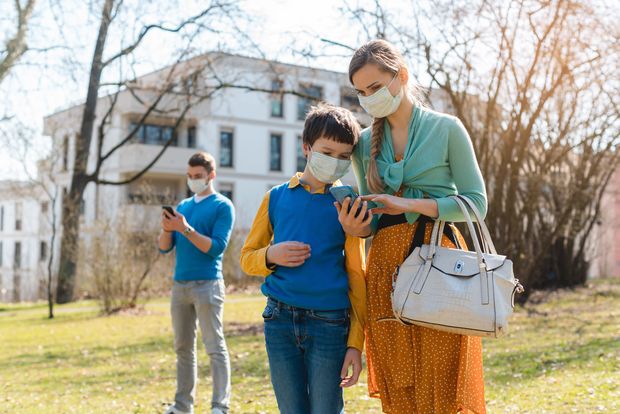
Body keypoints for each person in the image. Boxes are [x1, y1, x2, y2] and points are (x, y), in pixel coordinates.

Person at [336, 39, 488, 414]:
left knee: (443, 383)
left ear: (400, 76)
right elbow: (370, 222)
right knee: (400, 383)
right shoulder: (364, 144)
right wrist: (356, 226)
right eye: (361, 92)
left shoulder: (447, 128)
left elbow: (476, 203)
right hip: (385, 268)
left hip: (440, 262)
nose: (369, 97)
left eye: (375, 87)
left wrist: (408, 203)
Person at [240, 103, 367, 414]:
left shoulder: (347, 203)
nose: (335, 161)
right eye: (327, 151)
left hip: (330, 323)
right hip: (279, 320)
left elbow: (356, 272)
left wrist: (356, 342)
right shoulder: (275, 197)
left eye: (343, 156)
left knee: (326, 409)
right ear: (307, 147)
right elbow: (247, 258)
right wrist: (271, 254)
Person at [159, 152, 235, 414]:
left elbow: (215, 248)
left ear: (211, 175)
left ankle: (219, 406)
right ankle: (182, 406)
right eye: (190, 177)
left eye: (198, 177)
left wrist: (186, 228)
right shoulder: (183, 206)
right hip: (180, 286)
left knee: (214, 347)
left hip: (208, 285)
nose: (193, 181)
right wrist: (169, 229)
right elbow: (163, 249)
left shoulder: (223, 206)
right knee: (183, 348)